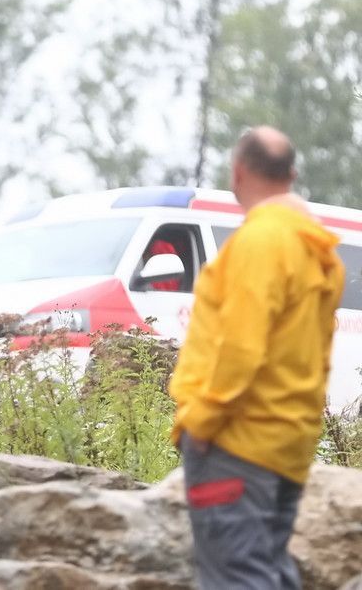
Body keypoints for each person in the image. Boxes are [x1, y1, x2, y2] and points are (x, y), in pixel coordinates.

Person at [169, 126, 344, 589]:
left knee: (237, 579)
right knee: (266, 574)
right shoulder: (318, 251)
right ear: (291, 175)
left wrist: (201, 421)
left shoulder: (260, 242)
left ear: (238, 173)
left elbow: (242, 347)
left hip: (236, 441)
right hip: (286, 445)